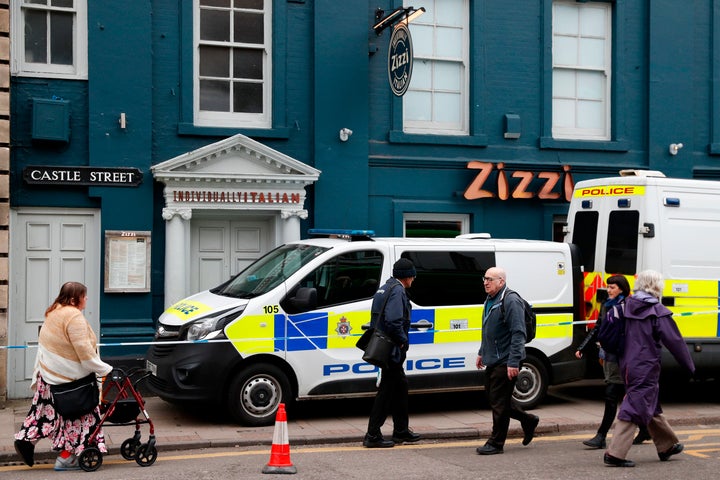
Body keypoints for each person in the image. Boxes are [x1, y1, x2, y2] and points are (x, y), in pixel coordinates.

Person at [14, 282, 114, 471]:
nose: (87, 299)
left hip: (47, 374)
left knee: (44, 414)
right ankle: (67, 458)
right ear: (75, 298)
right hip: (68, 380)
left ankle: (26, 440)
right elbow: (84, 352)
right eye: (84, 296)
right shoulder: (73, 316)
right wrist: (104, 368)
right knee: (81, 418)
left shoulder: (54, 311)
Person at [604, 270, 696, 467]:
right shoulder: (657, 311)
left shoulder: (626, 305)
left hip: (626, 364)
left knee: (649, 403)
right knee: (633, 405)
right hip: (645, 365)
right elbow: (675, 342)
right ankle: (615, 453)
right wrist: (690, 367)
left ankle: (667, 445)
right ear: (656, 286)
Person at [575, 275, 650, 449]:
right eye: (608, 287)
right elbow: (599, 327)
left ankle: (601, 436)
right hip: (609, 356)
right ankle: (646, 428)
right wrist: (582, 346)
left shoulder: (628, 307)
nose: (608, 290)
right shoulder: (607, 306)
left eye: (612, 287)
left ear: (622, 289)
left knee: (611, 395)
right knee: (631, 396)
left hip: (622, 357)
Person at [475, 267, 539, 455]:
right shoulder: (490, 299)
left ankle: (496, 443)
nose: (486, 282)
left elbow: (518, 333)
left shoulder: (510, 300)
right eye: (484, 279)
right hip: (493, 358)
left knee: (499, 403)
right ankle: (528, 420)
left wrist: (513, 362)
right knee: (496, 399)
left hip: (506, 360)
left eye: (490, 279)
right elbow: (488, 329)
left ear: (501, 282)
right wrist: (482, 352)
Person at [363, 258, 421, 448]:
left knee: (400, 388)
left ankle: (401, 430)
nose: (413, 279)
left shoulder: (385, 287)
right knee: (387, 391)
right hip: (392, 349)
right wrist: (403, 341)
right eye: (412, 275)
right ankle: (372, 434)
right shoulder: (397, 291)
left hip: (385, 347)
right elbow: (394, 320)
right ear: (407, 276)